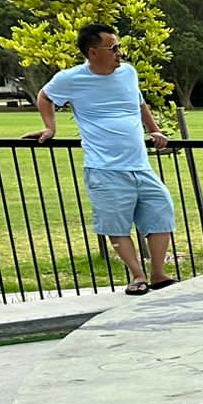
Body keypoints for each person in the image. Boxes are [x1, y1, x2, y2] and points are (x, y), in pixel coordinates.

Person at [33, 23, 175, 294]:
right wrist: (50, 128)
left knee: (161, 214)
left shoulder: (128, 73)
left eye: (119, 47)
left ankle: (158, 273)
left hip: (140, 164)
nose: (120, 53)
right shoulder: (70, 78)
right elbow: (45, 96)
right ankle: (138, 276)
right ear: (93, 52)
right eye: (113, 48)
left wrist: (154, 129)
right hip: (104, 168)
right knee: (116, 224)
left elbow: (139, 103)